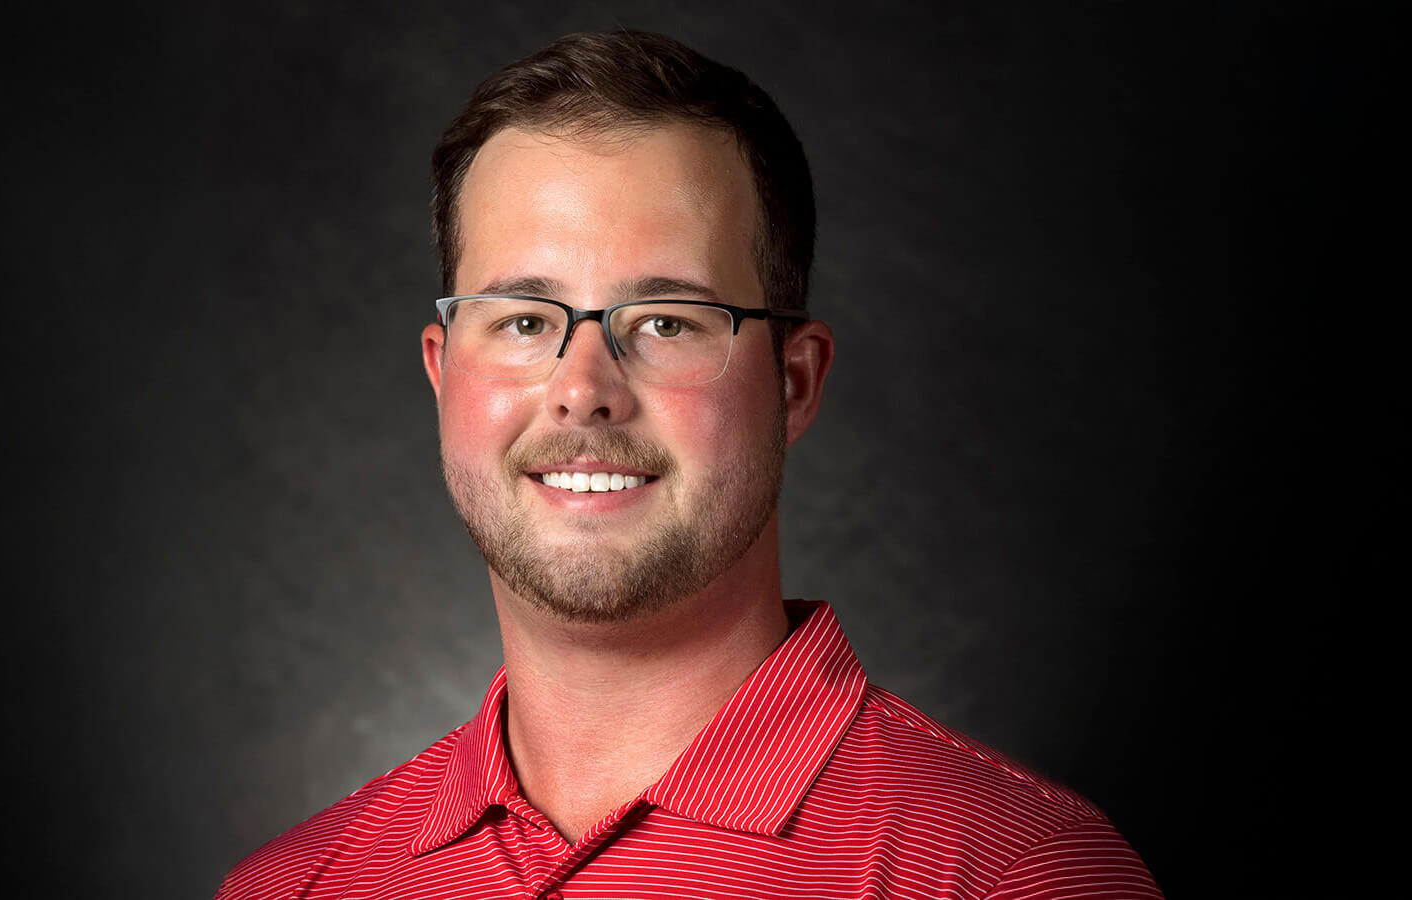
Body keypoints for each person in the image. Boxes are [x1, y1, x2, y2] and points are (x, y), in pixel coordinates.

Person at [217, 30, 1161, 899]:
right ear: (441, 374)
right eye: (523, 322)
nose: (582, 388)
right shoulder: (290, 888)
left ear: (793, 383)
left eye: (666, 322)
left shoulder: (1017, 877)